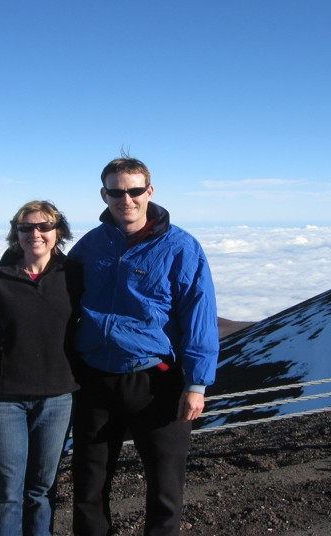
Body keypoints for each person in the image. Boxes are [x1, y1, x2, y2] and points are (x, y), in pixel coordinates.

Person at [68, 156, 220, 536]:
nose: (127, 199)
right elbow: (62, 303)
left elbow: (199, 315)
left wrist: (197, 384)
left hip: (156, 381)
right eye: (116, 192)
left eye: (135, 190)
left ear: (149, 191)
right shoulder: (90, 246)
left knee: (165, 486)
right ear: (104, 195)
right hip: (95, 380)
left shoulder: (180, 246)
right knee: (89, 484)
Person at [0, 200, 81, 536]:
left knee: (42, 488)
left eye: (44, 227)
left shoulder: (74, 277)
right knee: (6, 492)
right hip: (2, 399)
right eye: (26, 227)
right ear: (16, 233)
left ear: (58, 232)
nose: (35, 234)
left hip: (57, 398)